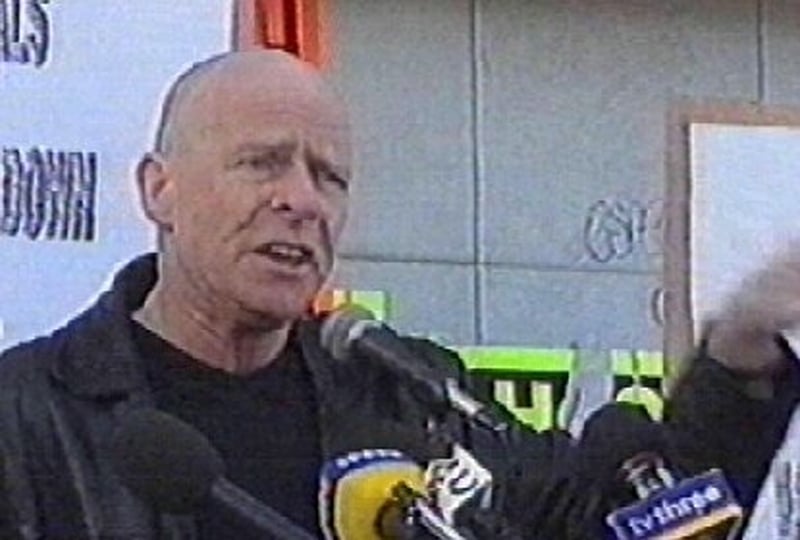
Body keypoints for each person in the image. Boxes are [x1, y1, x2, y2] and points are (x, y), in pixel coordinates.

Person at [0, 49, 573, 539]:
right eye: (261, 164)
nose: (302, 201)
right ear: (159, 191)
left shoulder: (408, 397)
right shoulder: (23, 418)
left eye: (329, 178)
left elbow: (577, 503)